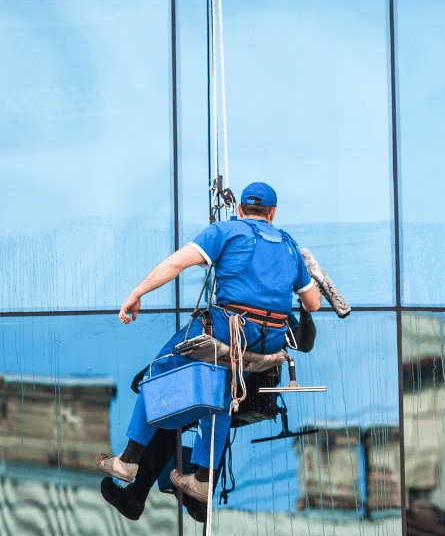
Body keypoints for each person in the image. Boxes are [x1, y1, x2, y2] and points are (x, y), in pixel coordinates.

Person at [95, 182, 321, 504]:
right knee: (221, 397)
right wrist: (308, 276)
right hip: (265, 347)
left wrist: (136, 294)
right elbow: (312, 303)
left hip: (228, 333)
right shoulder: (289, 246)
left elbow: (175, 264)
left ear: (241, 210)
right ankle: (203, 478)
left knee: (156, 374)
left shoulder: (225, 231)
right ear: (272, 213)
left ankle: (129, 461)